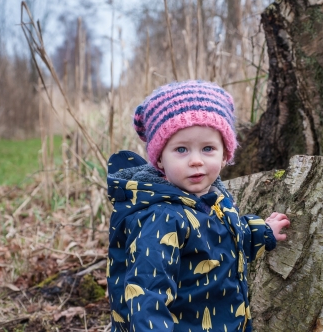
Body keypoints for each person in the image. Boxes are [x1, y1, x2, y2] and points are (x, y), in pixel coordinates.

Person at [106, 80, 290, 332]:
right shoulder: (160, 215)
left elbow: (219, 243)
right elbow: (147, 292)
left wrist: (261, 232)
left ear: (225, 154)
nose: (195, 161)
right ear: (159, 158)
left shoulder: (211, 198)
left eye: (208, 148)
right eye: (181, 149)